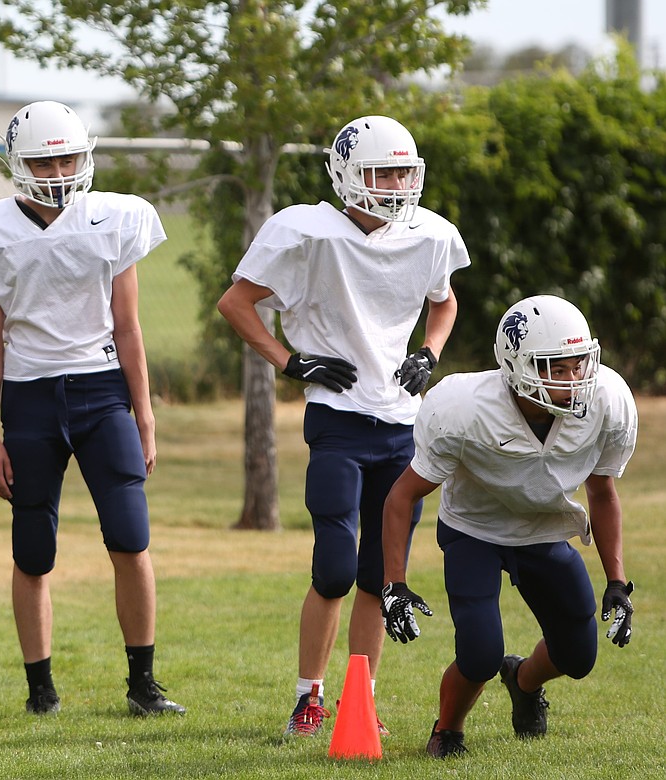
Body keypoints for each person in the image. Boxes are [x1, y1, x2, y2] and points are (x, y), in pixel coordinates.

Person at [216, 115, 470, 737]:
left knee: (378, 577)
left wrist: (431, 351)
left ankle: (362, 697)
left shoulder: (428, 233)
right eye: (382, 171)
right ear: (347, 174)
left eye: (403, 172)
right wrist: (289, 360)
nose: (394, 184)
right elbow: (235, 302)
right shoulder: (307, 231)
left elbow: (444, 299)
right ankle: (308, 697)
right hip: (337, 416)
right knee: (332, 566)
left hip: (402, 422)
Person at [0, 100, 185, 717]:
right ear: (16, 164)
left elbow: (128, 327)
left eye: (69, 156)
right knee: (33, 548)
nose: (58, 169)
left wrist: (144, 413)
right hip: (29, 397)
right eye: (45, 158)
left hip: (103, 394)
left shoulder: (114, 217)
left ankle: (143, 683)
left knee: (131, 538)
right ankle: (40, 689)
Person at [381, 294, 637, 759]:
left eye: (579, 364)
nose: (575, 378)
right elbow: (402, 495)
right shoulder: (463, 408)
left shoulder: (609, 400)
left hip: (544, 529)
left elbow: (602, 493)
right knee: (478, 653)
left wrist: (617, 581)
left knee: (579, 656)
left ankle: (522, 680)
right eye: (557, 368)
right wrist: (393, 584)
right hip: (473, 529)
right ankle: (448, 729)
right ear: (517, 365)